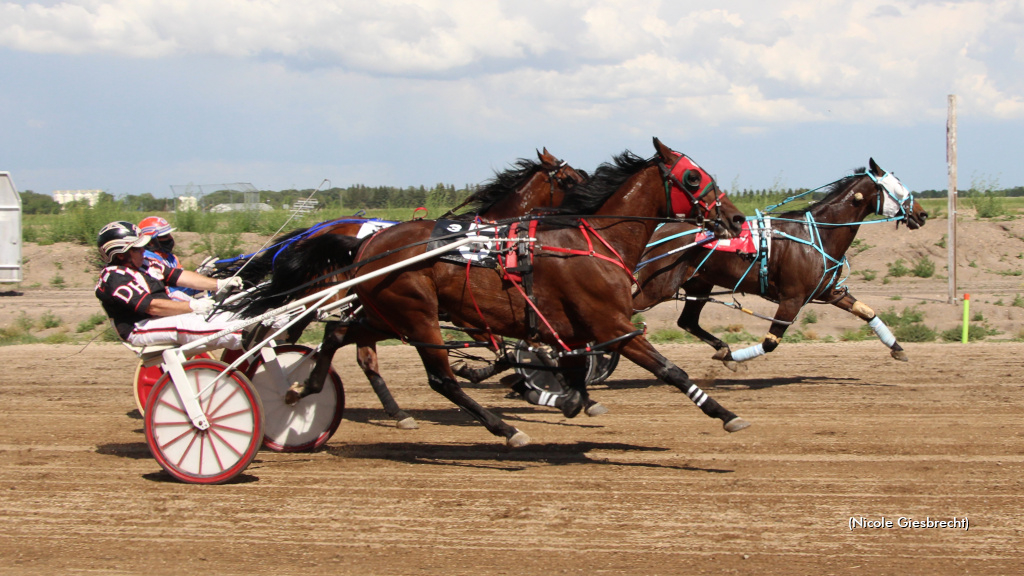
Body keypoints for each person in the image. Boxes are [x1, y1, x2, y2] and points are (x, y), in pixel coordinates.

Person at [94, 221, 250, 351]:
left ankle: (253, 323)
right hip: (139, 328)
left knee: (213, 314)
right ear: (121, 255)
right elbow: (152, 307)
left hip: (162, 317)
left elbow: (179, 276)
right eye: (137, 248)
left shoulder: (145, 265)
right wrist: (193, 306)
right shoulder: (114, 278)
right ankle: (243, 334)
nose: (143, 250)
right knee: (183, 325)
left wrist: (219, 284)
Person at [138, 215, 199, 301]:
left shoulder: (172, 258)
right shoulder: (146, 260)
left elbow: (184, 285)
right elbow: (166, 289)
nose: (170, 238)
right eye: (165, 236)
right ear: (151, 242)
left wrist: (199, 278)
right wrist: (193, 283)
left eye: (169, 234)